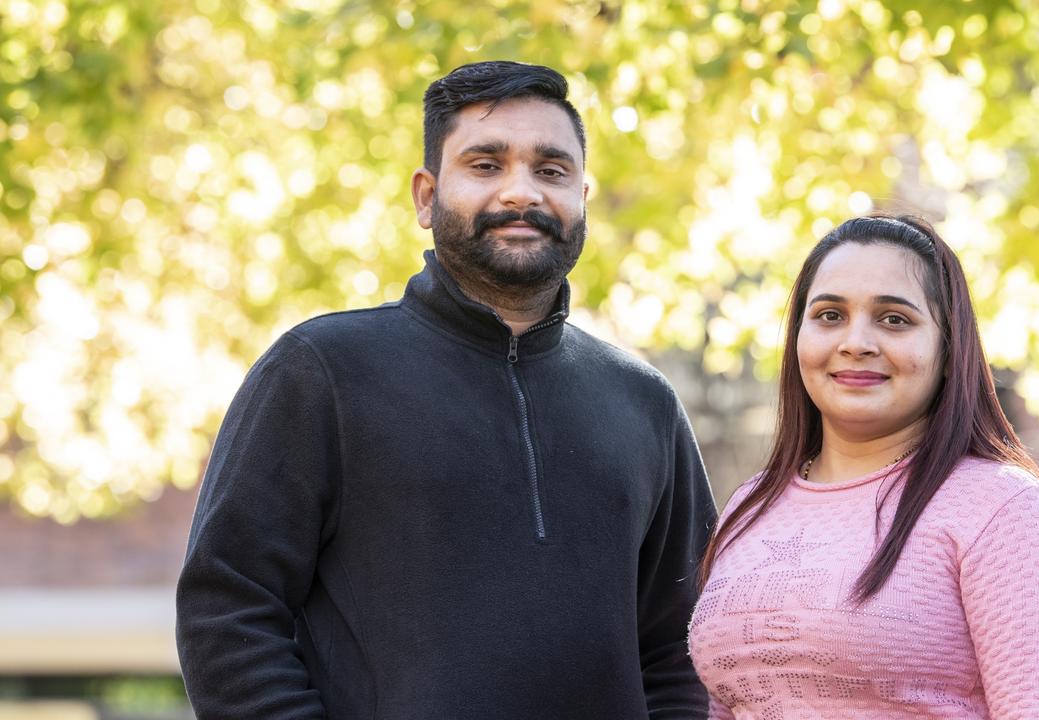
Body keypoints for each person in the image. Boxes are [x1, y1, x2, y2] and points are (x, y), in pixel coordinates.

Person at [176, 61, 717, 719]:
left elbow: (684, 645)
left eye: (551, 170)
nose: (522, 192)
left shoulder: (644, 402)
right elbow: (228, 608)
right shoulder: (322, 371)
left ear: (582, 196)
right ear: (427, 197)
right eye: (486, 165)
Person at [688, 215, 1039, 718]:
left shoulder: (1004, 511)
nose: (856, 342)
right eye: (829, 316)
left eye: (894, 319)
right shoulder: (751, 507)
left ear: (950, 350)